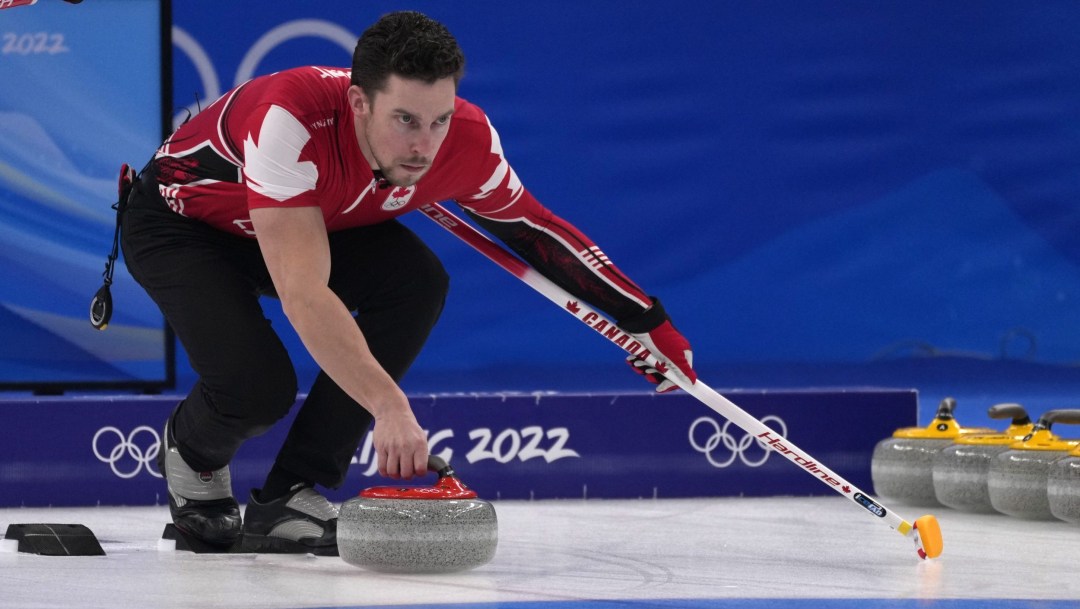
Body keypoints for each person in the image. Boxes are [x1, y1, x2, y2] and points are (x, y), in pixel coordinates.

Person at [120, 10, 696, 555]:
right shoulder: (291, 119)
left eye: (438, 119)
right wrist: (390, 408)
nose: (425, 145)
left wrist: (645, 322)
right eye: (406, 121)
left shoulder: (467, 140)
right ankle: (194, 454)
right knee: (257, 390)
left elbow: (536, 233)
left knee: (416, 283)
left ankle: (289, 495)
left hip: (316, 217)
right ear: (359, 103)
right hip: (185, 228)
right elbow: (304, 294)